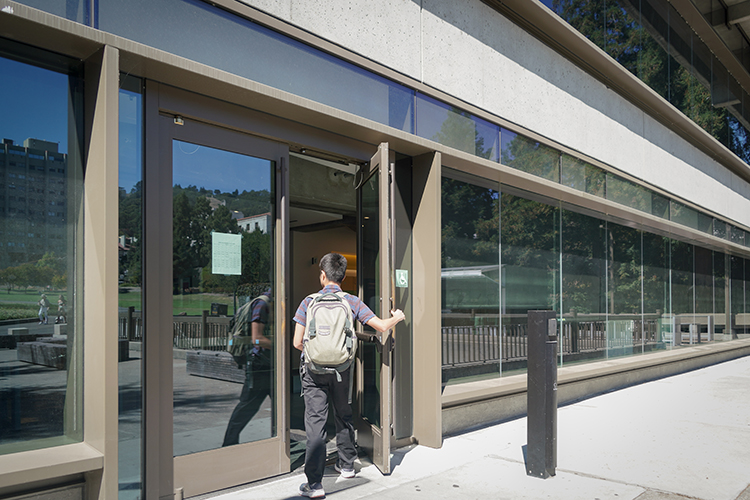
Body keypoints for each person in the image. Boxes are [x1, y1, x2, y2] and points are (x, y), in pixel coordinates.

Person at [293, 253, 405, 499]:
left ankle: (315, 485)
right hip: (343, 370)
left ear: (322, 276)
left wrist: (317, 354)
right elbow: (382, 326)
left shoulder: (308, 302)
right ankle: (347, 466)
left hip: (313, 372)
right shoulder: (352, 301)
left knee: (315, 424)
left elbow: (296, 342)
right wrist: (396, 317)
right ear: (343, 277)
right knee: (343, 414)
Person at [222, 290, 273, 447]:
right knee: (248, 405)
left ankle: (283, 438)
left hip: (268, 363)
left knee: (283, 404)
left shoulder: (267, 304)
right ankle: (229, 443)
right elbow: (257, 338)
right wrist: (282, 346)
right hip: (259, 365)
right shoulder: (262, 304)